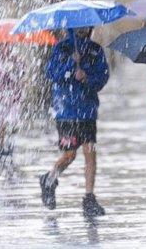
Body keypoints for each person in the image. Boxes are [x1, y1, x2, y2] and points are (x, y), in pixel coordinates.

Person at [39, 26, 110, 217]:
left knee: (90, 151)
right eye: (79, 26)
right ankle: (49, 179)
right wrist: (71, 64)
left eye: (86, 26)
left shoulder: (95, 50)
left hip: (87, 111)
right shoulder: (61, 48)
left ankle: (89, 198)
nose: (83, 29)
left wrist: (87, 78)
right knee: (70, 155)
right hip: (66, 111)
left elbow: (103, 77)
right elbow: (52, 74)